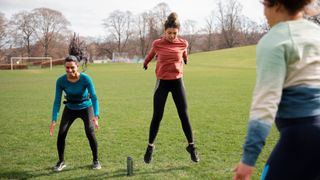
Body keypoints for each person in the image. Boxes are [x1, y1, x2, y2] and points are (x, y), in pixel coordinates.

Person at [233, 0, 320, 179]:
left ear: (278, 5)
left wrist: (248, 160)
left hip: (301, 136)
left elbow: (264, 105)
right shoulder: (316, 34)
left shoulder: (274, 40)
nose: (264, 12)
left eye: (265, 5)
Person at [143, 12, 199, 164]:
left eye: (175, 33)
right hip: (162, 82)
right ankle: (150, 147)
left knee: (184, 115)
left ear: (178, 32)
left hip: (177, 82)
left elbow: (184, 53)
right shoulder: (157, 44)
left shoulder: (183, 43)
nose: (172, 36)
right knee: (157, 116)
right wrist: (146, 63)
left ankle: (192, 147)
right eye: (169, 33)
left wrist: (185, 59)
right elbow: (150, 54)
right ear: (164, 31)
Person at [49, 35, 101, 172]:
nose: (69, 71)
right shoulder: (60, 81)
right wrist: (54, 119)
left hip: (86, 107)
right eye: (67, 68)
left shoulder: (85, 79)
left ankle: (96, 160)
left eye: (72, 68)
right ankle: (61, 161)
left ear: (77, 66)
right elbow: (56, 101)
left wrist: (96, 116)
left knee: (89, 132)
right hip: (70, 108)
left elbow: (94, 98)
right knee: (61, 133)